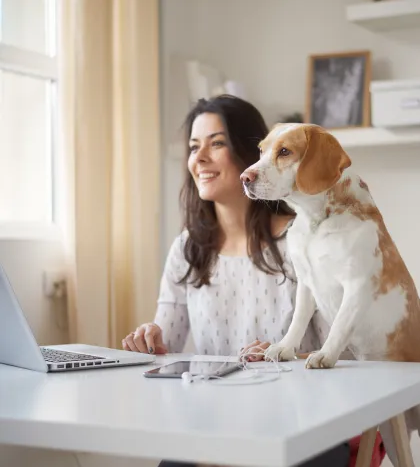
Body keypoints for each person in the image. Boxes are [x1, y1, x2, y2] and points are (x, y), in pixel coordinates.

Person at [122, 95, 352, 466]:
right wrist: (149, 339)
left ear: (252, 154)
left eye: (217, 144)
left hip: (302, 426)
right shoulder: (188, 248)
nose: (200, 158)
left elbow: (343, 355)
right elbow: (166, 345)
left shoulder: (303, 240)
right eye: (194, 147)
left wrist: (283, 355)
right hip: (214, 426)